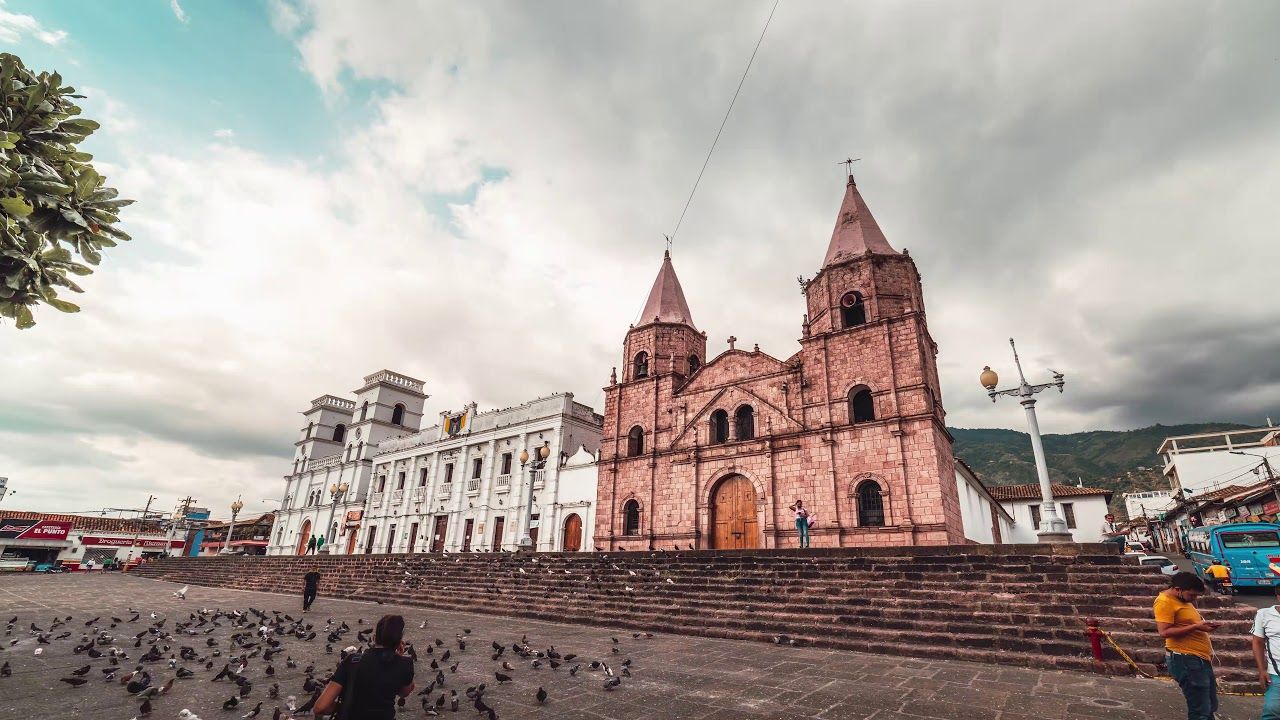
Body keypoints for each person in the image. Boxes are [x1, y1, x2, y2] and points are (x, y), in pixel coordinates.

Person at [313, 614, 414, 720]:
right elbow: (404, 692)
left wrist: (344, 707)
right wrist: (399, 657)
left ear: (374, 638)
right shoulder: (404, 664)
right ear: (399, 642)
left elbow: (320, 707)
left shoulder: (352, 661)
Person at [1154, 571, 1219, 720]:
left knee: (1210, 704)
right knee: (1200, 709)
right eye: (1192, 595)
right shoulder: (1164, 601)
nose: (1194, 599)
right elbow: (1164, 632)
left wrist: (1205, 627)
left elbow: (1188, 623)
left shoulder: (1183, 600)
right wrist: (1196, 627)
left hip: (1200, 658)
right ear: (1178, 589)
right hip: (1185, 659)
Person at [1251, 584, 1280, 720]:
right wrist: (1262, 670)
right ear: (1278, 597)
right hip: (1276, 674)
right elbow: (1257, 642)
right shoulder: (1264, 614)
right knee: (1272, 711)